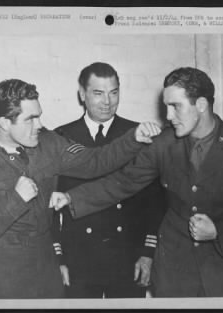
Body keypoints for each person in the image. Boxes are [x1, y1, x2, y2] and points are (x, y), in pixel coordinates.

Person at [50, 67, 223, 297]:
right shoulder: (164, 143)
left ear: (201, 104)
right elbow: (124, 181)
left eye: (175, 106)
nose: (168, 116)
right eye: (166, 106)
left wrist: (219, 231)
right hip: (173, 271)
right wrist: (71, 198)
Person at [0, 79, 161, 299]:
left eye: (39, 115)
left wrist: (133, 139)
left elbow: (95, 161)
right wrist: (16, 199)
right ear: (4, 123)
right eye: (31, 119)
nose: (39, 125)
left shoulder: (49, 143)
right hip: (4, 284)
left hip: (48, 279)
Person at [52, 62, 166, 298]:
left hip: (128, 255)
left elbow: (155, 202)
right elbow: (52, 206)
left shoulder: (138, 134)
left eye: (113, 92)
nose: (107, 101)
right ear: (82, 94)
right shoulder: (61, 137)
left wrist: (148, 253)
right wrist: (58, 257)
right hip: (79, 257)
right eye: (98, 93)